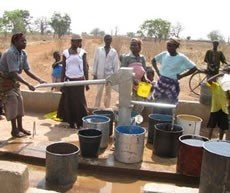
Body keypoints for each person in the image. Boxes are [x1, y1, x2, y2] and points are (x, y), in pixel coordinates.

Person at [0, 33, 46, 137]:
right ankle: (14, 130)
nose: (25, 43)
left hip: (13, 81)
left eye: (25, 41)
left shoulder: (23, 53)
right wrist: (28, 84)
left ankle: (20, 127)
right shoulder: (10, 53)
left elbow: (27, 69)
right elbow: (13, 72)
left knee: (20, 102)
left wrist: (39, 80)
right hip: (4, 82)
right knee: (12, 102)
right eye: (22, 41)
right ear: (15, 42)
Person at [152, 38, 197, 114]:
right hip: (161, 83)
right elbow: (153, 60)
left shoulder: (181, 58)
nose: (168, 48)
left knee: (169, 106)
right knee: (157, 104)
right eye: (167, 46)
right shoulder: (164, 54)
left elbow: (194, 68)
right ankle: (156, 121)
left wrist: (181, 76)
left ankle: (167, 124)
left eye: (170, 46)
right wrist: (158, 71)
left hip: (172, 84)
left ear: (176, 47)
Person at [57, 34, 89, 129]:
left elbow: (85, 68)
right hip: (69, 81)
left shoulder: (82, 53)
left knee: (79, 102)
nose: (79, 43)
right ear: (72, 42)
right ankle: (71, 122)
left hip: (79, 82)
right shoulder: (66, 53)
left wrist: (86, 83)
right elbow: (63, 69)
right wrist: (62, 83)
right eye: (77, 41)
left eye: (80, 41)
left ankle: (80, 122)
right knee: (69, 102)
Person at [121, 38, 149, 114]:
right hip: (128, 84)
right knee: (130, 102)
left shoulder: (142, 58)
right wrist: (133, 80)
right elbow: (123, 71)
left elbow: (144, 71)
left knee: (140, 103)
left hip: (140, 84)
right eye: (131, 45)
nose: (132, 46)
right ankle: (129, 119)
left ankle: (136, 118)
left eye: (134, 45)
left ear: (139, 47)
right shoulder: (126, 57)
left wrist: (145, 79)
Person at [93, 35, 119, 108]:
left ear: (111, 41)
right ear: (104, 40)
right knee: (99, 92)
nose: (108, 41)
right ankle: (96, 107)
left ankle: (107, 108)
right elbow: (96, 61)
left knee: (108, 93)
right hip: (100, 74)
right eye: (106, 40)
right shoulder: (99, 50)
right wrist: (94, 74)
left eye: (109, 40)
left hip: (109, 75)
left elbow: (115, 64)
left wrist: (115, 76)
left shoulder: (113, 52)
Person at [206, 67, 230, 140]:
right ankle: (208, 139)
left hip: (224, 109)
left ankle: (220, 141)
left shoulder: (228, 86)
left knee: (222, 127)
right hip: (215, 109)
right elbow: (208, 81)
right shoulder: (216, 85)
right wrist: (219, 75)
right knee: (211, 126)